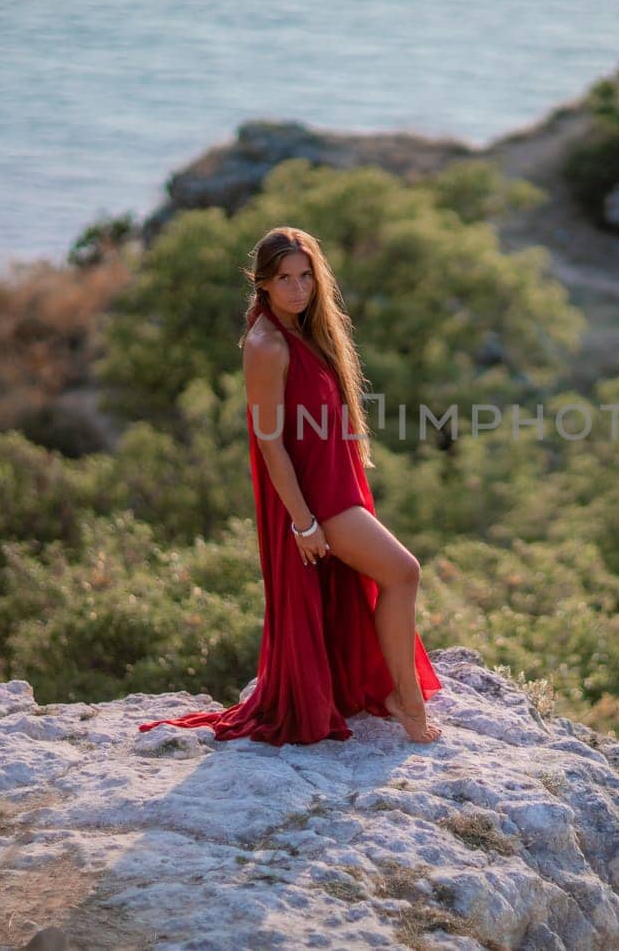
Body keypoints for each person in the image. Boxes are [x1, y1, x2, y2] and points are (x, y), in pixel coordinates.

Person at [137, 226, 444, 745]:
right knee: (402, 572)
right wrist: (303, 521)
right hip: (314, 500)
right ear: (262, 283)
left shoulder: (306, 329)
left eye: (305, 277)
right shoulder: (266, 344)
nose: (298, 289)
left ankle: (395, 694)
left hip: (334, 486)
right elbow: (270, 444)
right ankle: (406, 703)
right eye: (285, 279)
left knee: (389, 578)